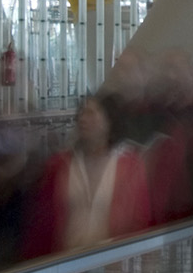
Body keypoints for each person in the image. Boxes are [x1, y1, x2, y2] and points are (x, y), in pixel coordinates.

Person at [25, 95, 152, 256]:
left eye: (91, 113)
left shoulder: (130, 166)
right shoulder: (61, 164)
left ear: (109, 121)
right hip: (66, 261)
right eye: (81, 114)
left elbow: (140, 220)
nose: (83, 119)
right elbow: (43, 221)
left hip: (111, 262)